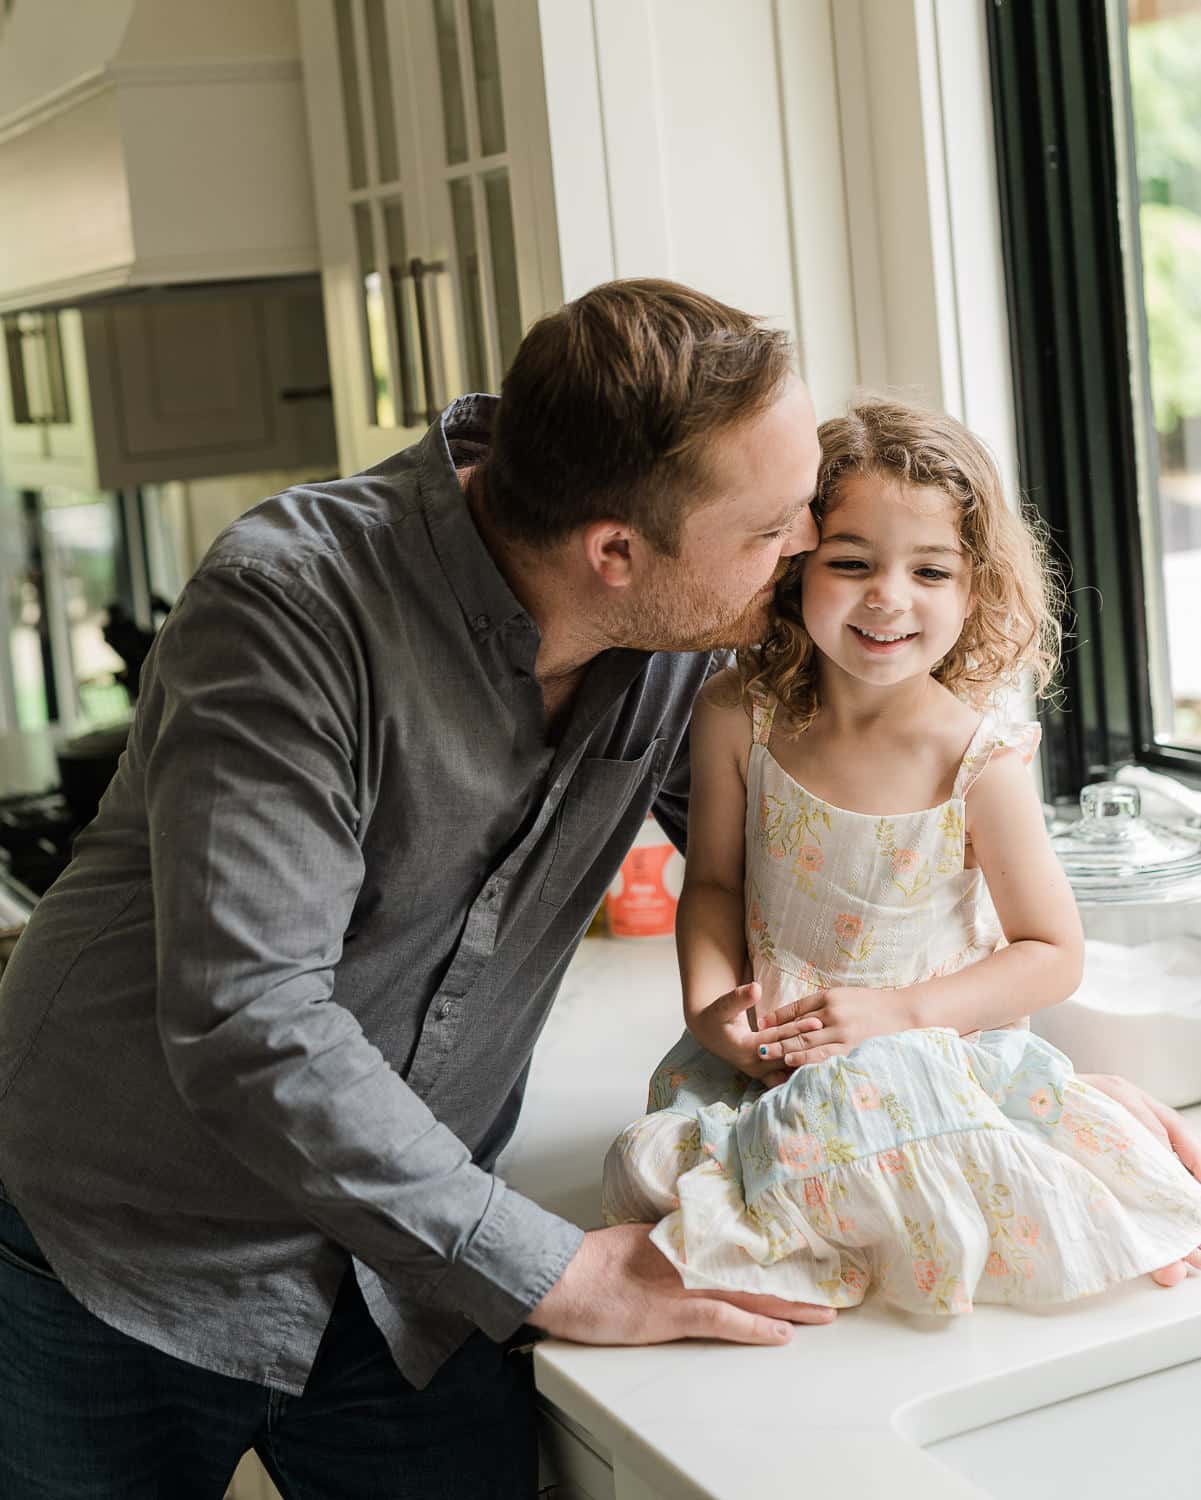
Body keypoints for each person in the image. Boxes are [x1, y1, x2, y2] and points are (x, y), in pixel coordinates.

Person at [0, 284, 1194, 1499]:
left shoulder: (690, 626)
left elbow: (819, 859)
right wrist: (553, 1273)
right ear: (614, 552)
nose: (798, 555)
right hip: (122, 1246)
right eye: (775, 529)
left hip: (410, 1273)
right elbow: (250, 1020)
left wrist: (1017, 1092)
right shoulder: (290, 610)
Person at [603, 397, 1201, 1312]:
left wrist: (900, 1012)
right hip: (770, 1055)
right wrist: (710, 1005)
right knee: (655, 1177)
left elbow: (1052, 952)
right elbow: (715, 882)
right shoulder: (738, 715)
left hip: (931, 1051)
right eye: (851, 563)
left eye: (930, 569)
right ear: (795, 568)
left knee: (885, 1151)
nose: (888, 596)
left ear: (975, 589)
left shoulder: (978, 755)